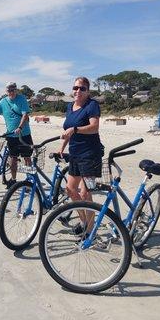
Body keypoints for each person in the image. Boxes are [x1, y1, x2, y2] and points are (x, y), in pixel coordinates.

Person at [58, 76, 104, 235]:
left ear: (87, 91)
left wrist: (76, 129)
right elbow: (68, 130)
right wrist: (62, 147)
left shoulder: (92, 105)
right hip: (75, 154)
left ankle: (91, 231)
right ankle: (85, 222)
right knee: (70, 190)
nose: (78, 91)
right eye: (75, 88)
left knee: (85, 194)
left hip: (90, 155)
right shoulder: (70, 106)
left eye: (82, 88)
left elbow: (94, 127)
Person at [0, 82, 32, 187]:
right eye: (9, 90)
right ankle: (13, 179)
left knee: (27, 158)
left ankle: (29, 180)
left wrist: (20, 127)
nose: (11, 92)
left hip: (24, 134)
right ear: (6, 91)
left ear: (16, 90)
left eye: (13, 90)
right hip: (11, 135)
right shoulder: (3, 102)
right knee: (13, 158)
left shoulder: (21, 99)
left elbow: (25, 115)